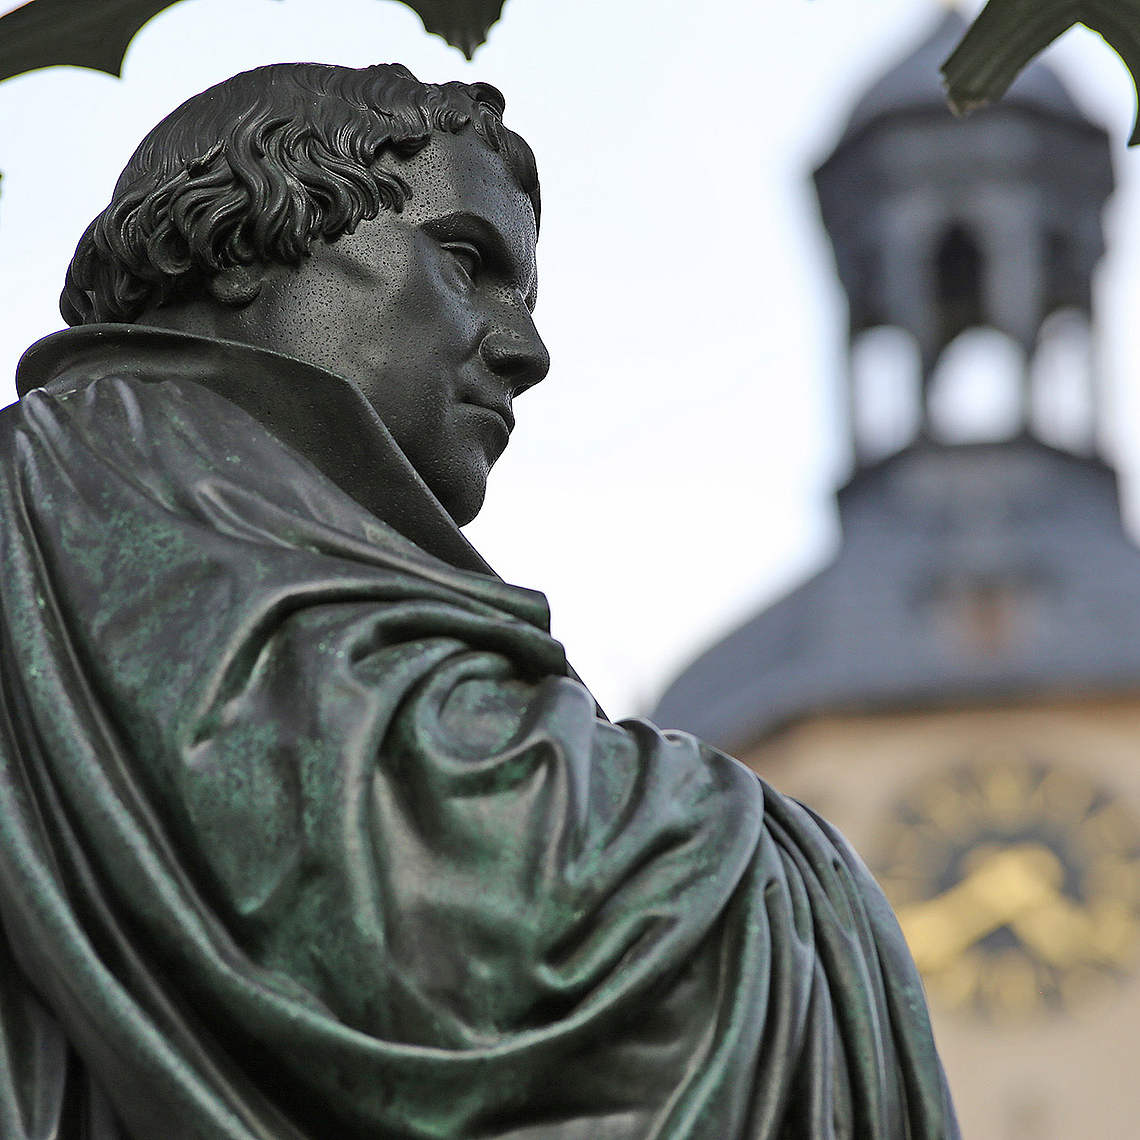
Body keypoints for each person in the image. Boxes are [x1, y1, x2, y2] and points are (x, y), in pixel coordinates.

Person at [0, 63, 958, 1140]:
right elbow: (472, 906)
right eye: (465, 260)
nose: (528, 351)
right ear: (246, 244)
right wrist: (780, 873)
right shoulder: (116, 482)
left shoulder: (179, 497)